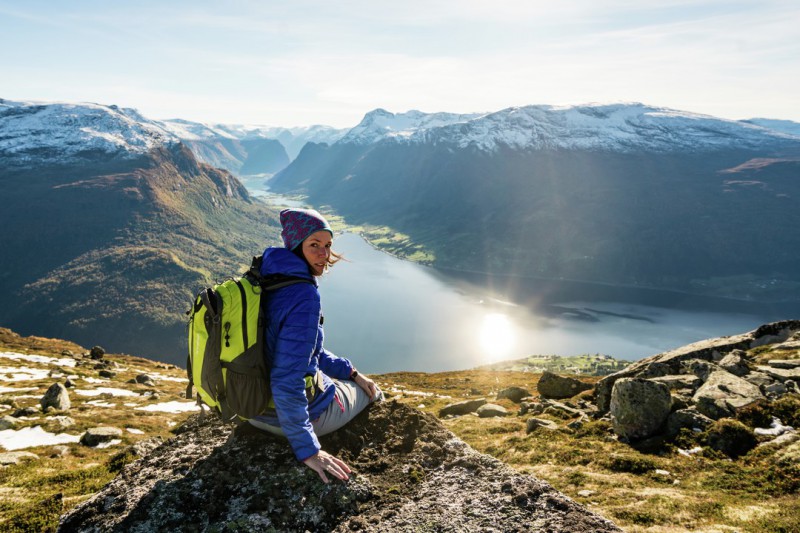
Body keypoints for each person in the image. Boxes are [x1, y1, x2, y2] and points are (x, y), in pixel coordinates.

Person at [249, 208, 382, 483]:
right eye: (314, 245)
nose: (324, 254)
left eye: (328, 245)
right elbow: (287, 378)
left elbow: (308, 352)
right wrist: (309, 450)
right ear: (296, 246)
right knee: (372, 392)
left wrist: (352, 372)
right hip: (284, 419)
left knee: (345, 379)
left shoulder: (264, 276)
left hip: (250, 409)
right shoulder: (303, 295)